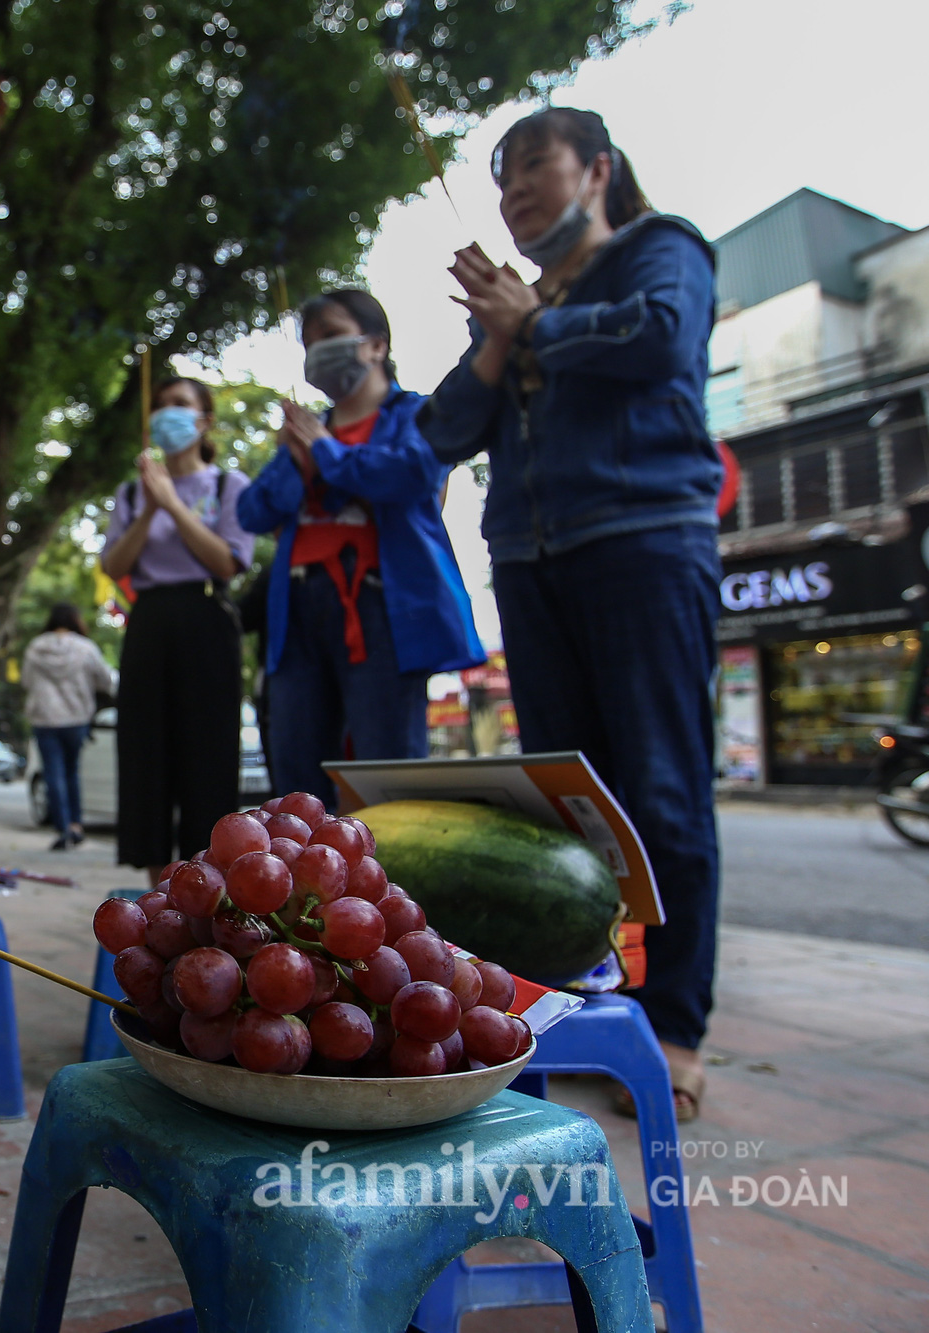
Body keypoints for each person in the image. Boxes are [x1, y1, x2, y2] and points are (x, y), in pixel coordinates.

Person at [419, 107, 721, 1121]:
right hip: (529, 558)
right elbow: (445, 429)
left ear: (595, 169)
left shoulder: (658, 249)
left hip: (642, 539)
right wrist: (500, 336)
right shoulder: (509, 306)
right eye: (499, 182)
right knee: (572, 806)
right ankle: (588, 995)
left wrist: (533, 324)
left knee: (662, 786)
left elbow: (660, 336)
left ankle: (671, 1024)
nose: (512, 196)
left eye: (531, 169)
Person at [236, 289, 486, 808]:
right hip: (298, 612)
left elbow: (412, 473)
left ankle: (386, 887)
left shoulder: (416, 415)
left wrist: (325, 454)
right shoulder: (306, 431)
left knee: (386, 775)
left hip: (382, 608)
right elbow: (254, 512)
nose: (317, 351)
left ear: (375, 345)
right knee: (297, 779)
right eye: (309, 343)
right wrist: (298, 462)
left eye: (330, 334)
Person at [100, 377, 254, 879]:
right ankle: (157, 888)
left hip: (207, 616)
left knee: (208, 751)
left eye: (181, 405)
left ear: (205, 419)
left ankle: (206, 883)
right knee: (146, 752)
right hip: (149, 621)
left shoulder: (229, 486)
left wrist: (171, 502)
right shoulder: (130, 492)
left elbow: (228, 561)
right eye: (161, 405)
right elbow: (113, 564)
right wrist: (149, 507)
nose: (168, 413)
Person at [22, 603, 116, 850]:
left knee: (53, 773)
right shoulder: (85, 648)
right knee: (72, 771)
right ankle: (76, 825)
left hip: (44, 718)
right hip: (76, 719)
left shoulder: (36, 647)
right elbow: (106, 680)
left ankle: (63, 827)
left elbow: (26, 680)